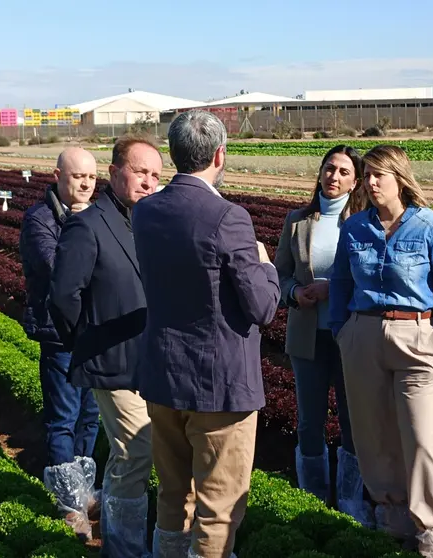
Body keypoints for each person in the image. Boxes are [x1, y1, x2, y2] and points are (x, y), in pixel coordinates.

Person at [131, 109, 281, 558]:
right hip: (218, 386)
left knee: (173, 495)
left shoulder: (146, 212)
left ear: (173, 154)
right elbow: (262, 307)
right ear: (220, 154)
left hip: (163, 376)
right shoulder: (227, 216)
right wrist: (267, 266)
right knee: (218, 506)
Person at [328, 145, 433, 557]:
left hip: (418, 336)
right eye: (366, 175)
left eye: (379, 175)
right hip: (363, 334)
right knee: (373, 433)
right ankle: (392, 517)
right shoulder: (354, 229)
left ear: (400, 177)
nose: (370, 182)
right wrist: (342, 331)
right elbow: (341, 284)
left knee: (422, 435)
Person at [47, 138, 161, 557]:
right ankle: (125, 548)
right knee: (137, 452)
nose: (148, 182)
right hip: (112, 363)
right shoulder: (88, 224)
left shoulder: (150, 223)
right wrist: (89, 340)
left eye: (155, 175)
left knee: (129, 458)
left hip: (152, 362)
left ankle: (123, 539)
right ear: (114, 173)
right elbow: (63, 297)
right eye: (139, 171)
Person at [273, 145, 370, 525]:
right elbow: (279, 273)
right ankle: (313, 496)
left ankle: (350, 500)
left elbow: (373, 277)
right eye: (329, 168)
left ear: (356, 181)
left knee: (352, 419)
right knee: (310, 419)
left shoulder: (363, 221)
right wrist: (295, 293)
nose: (334, 177)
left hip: (350, 335)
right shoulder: (297, 220)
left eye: (344, 172)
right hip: (308, 334)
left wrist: (335, 287)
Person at [18, 146, 101, 539]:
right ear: (57, 176)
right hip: (59, 333)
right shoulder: (40, 219)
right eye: (77, 176)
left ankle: (84, 493)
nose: (84, 183)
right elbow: (59, 270)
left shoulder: (97, 215)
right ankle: (69, 505)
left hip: (93, 331)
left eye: (90, 177)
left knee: (90, 415)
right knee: (63, 417)